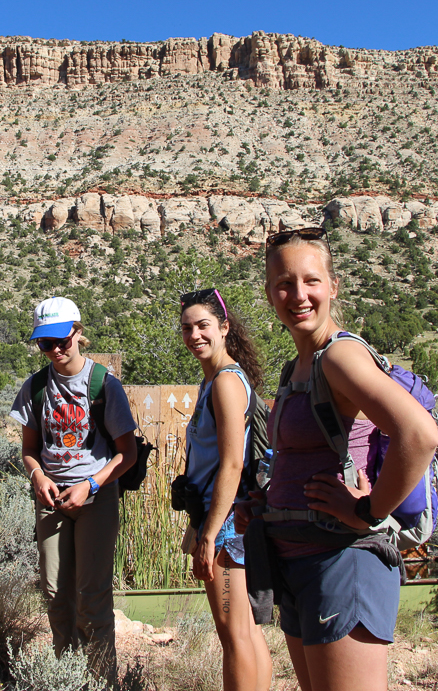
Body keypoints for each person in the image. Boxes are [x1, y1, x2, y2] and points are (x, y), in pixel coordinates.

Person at [260, 227, 438, 691]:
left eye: (311, 281)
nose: (298, 294)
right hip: (300, 563)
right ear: (268, 292)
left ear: (333, 286)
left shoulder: (340, 356)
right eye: (283, 283)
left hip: (343, 561)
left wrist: (368, 510)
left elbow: (419, 434)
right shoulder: (298, 364)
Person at [11, 297, 138, 684]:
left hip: (95, 499)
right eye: (45, 343)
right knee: (55, 596)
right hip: (51, 500)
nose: (55, 350)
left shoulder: (104, 385)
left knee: (92, 597)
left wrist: (91, 484)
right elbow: (30, 449)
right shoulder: (36, 388)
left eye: (61, 340)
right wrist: (38, 477)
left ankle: (101, 680)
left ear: (78, 333)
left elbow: (127, 454)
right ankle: (66, 677)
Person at [178, 288, 273, 691]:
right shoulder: (213, 381)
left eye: (203, 326)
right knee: (245, 630)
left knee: (232, 635)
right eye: (187, 328)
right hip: (220, 518)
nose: (195, 335)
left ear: (224, 328)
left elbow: (233, 464)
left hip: (228, 523)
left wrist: (211, 534)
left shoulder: (226, 383)